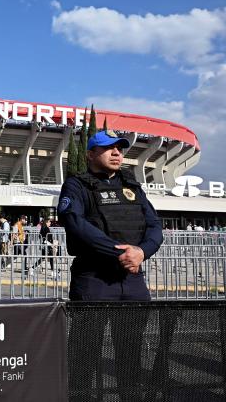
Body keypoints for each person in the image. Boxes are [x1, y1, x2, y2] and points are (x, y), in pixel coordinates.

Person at [58, 130, 163, 400]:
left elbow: (154, 226)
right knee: (85, 352)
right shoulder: (77, 185)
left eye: (120, 148)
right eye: (108, 148)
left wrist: (141, 251)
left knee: (130, 352)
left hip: (132, 281)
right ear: (91, 154)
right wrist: (122, 254)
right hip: (94, 280)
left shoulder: (132, 185)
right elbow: (77, 225)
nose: (117, 153)